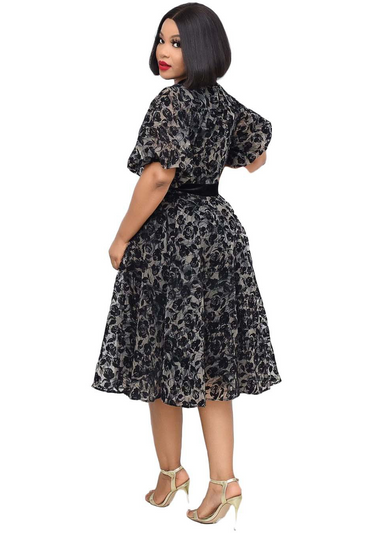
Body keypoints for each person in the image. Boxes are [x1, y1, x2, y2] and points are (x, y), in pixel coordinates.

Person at [91, 3, 282, 528]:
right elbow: (257, 154)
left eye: (176, 42)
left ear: (201, 49)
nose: (164, 51)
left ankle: (173, 473)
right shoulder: (221, 101)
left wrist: (121, 237)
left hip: (171, 241)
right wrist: (216, 159)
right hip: (217, 232)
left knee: (162, 356)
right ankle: (222, 481)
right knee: (210, 361)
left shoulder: (171, 103)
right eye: (161, 39)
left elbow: (157, 177)